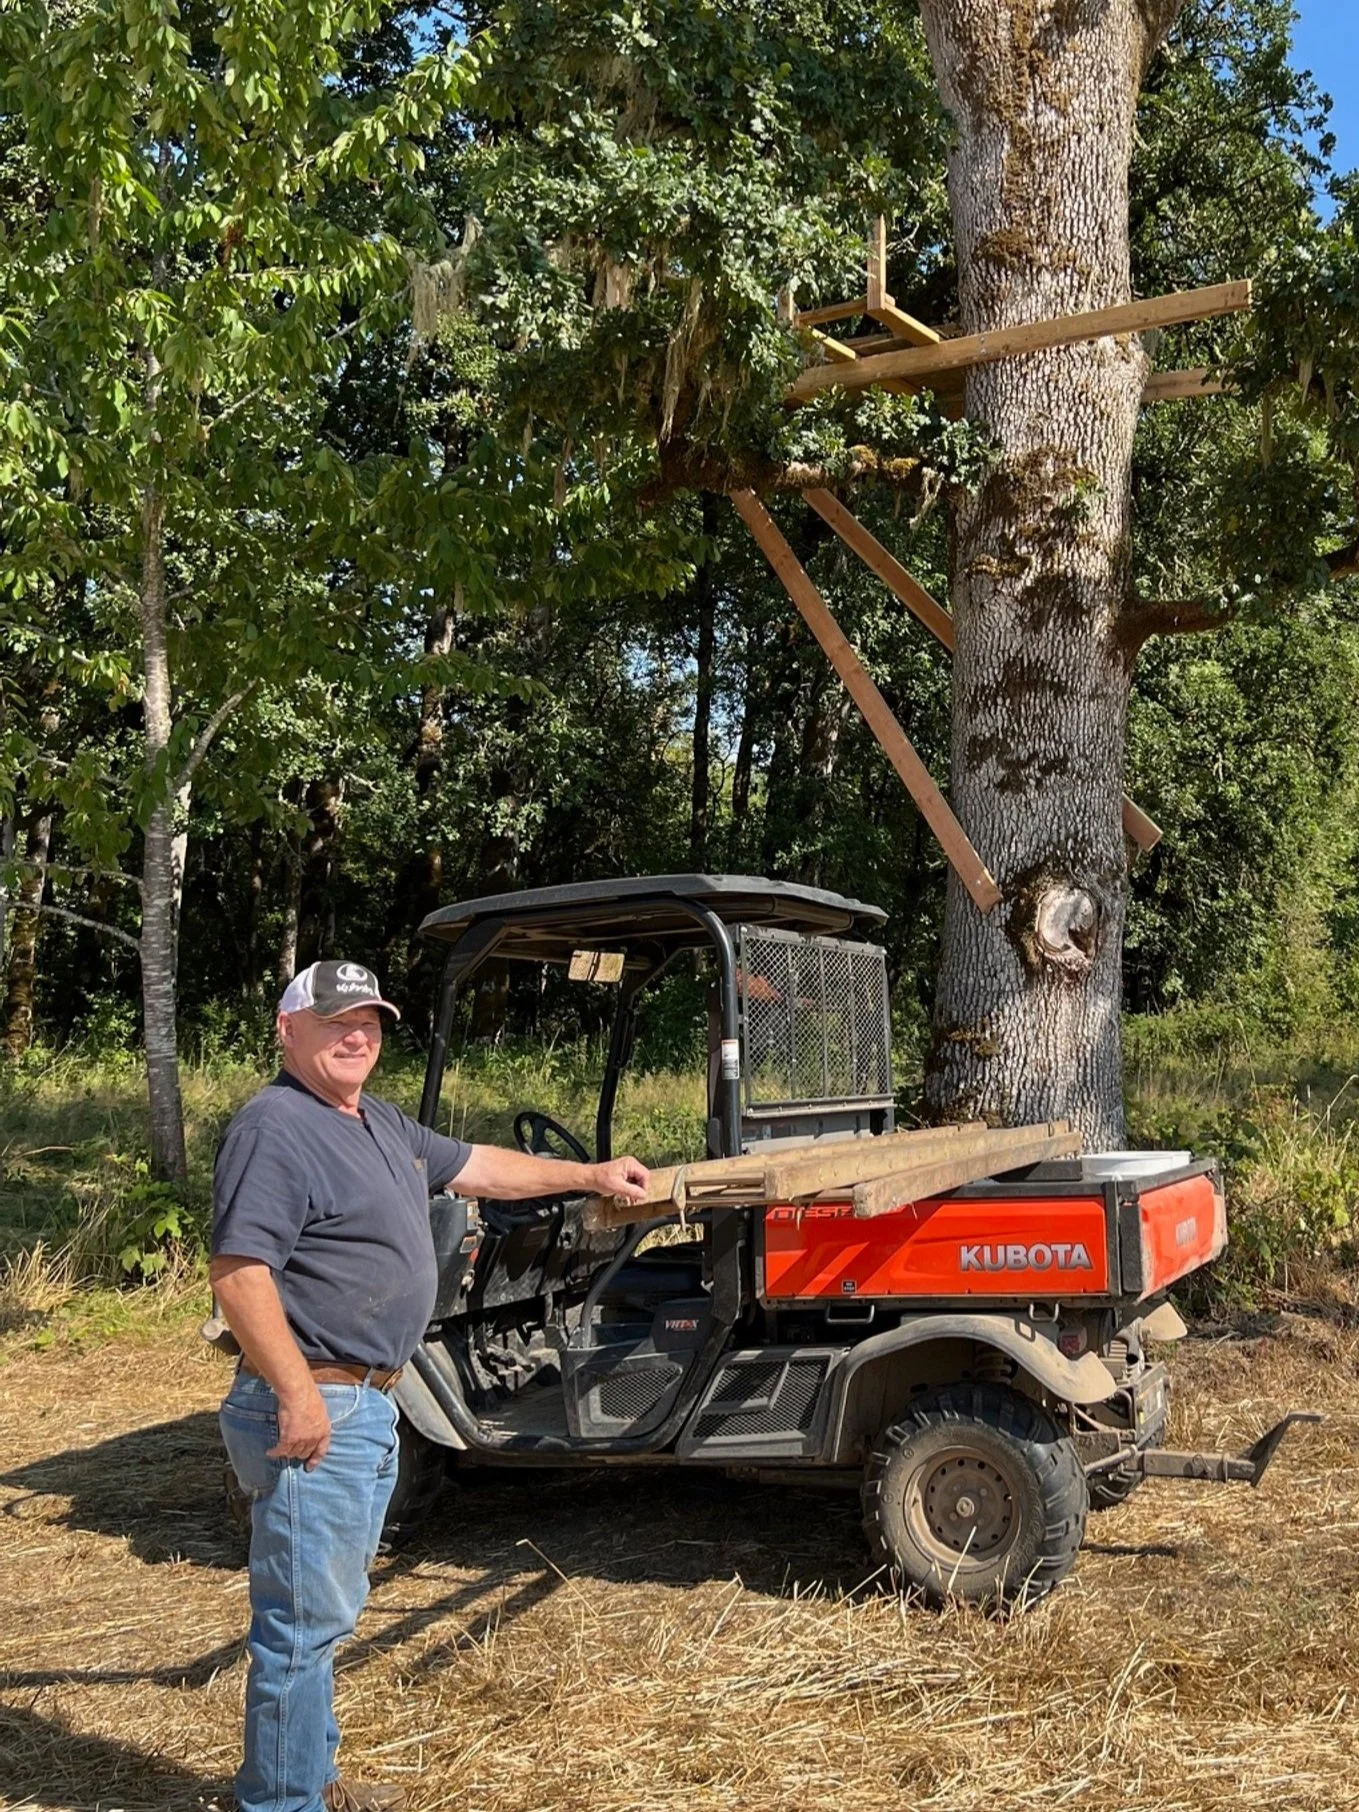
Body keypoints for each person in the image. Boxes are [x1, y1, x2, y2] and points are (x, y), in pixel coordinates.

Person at [211, 959, 649, 1812]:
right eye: (337, 1021)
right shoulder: (275, 1126)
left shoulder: (373, 1120)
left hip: (367, 1398)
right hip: (320, 1401)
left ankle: (304, 1779)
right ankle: (279, 1803)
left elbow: (480, 1166)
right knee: (300, 1628)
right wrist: (299, 1395)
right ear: (287, 1029)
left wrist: (589, 1176)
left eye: (369, 1021)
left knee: (324, 1615)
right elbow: (239, 1275)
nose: (356, 1035)